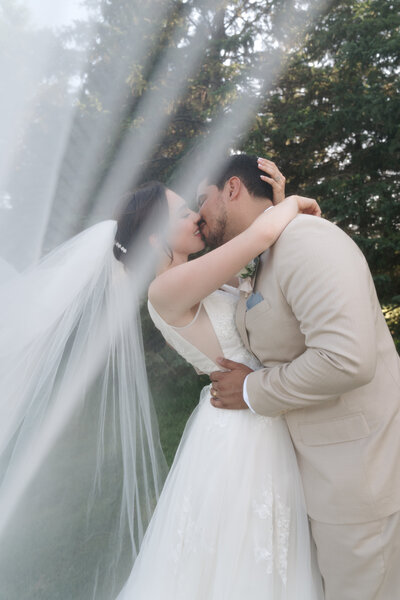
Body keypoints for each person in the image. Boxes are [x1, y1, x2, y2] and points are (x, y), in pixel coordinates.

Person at [199, 154, 400, 600]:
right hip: (317, 476)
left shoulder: (306, 241)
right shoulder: (270, 254)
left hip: (359, 480)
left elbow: (345, 358)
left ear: (232, 188)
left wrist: (251, 389)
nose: (200, 216)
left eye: (203, 201)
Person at [116, 170, 323, 599]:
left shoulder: (199, 275)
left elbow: (264, 268)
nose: (196, 216)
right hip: (243, 431)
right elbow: (258, 237)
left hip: (257, 409)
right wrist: (289, 204)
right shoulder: (165, 289)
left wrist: (275, 203)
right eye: (183, 212)